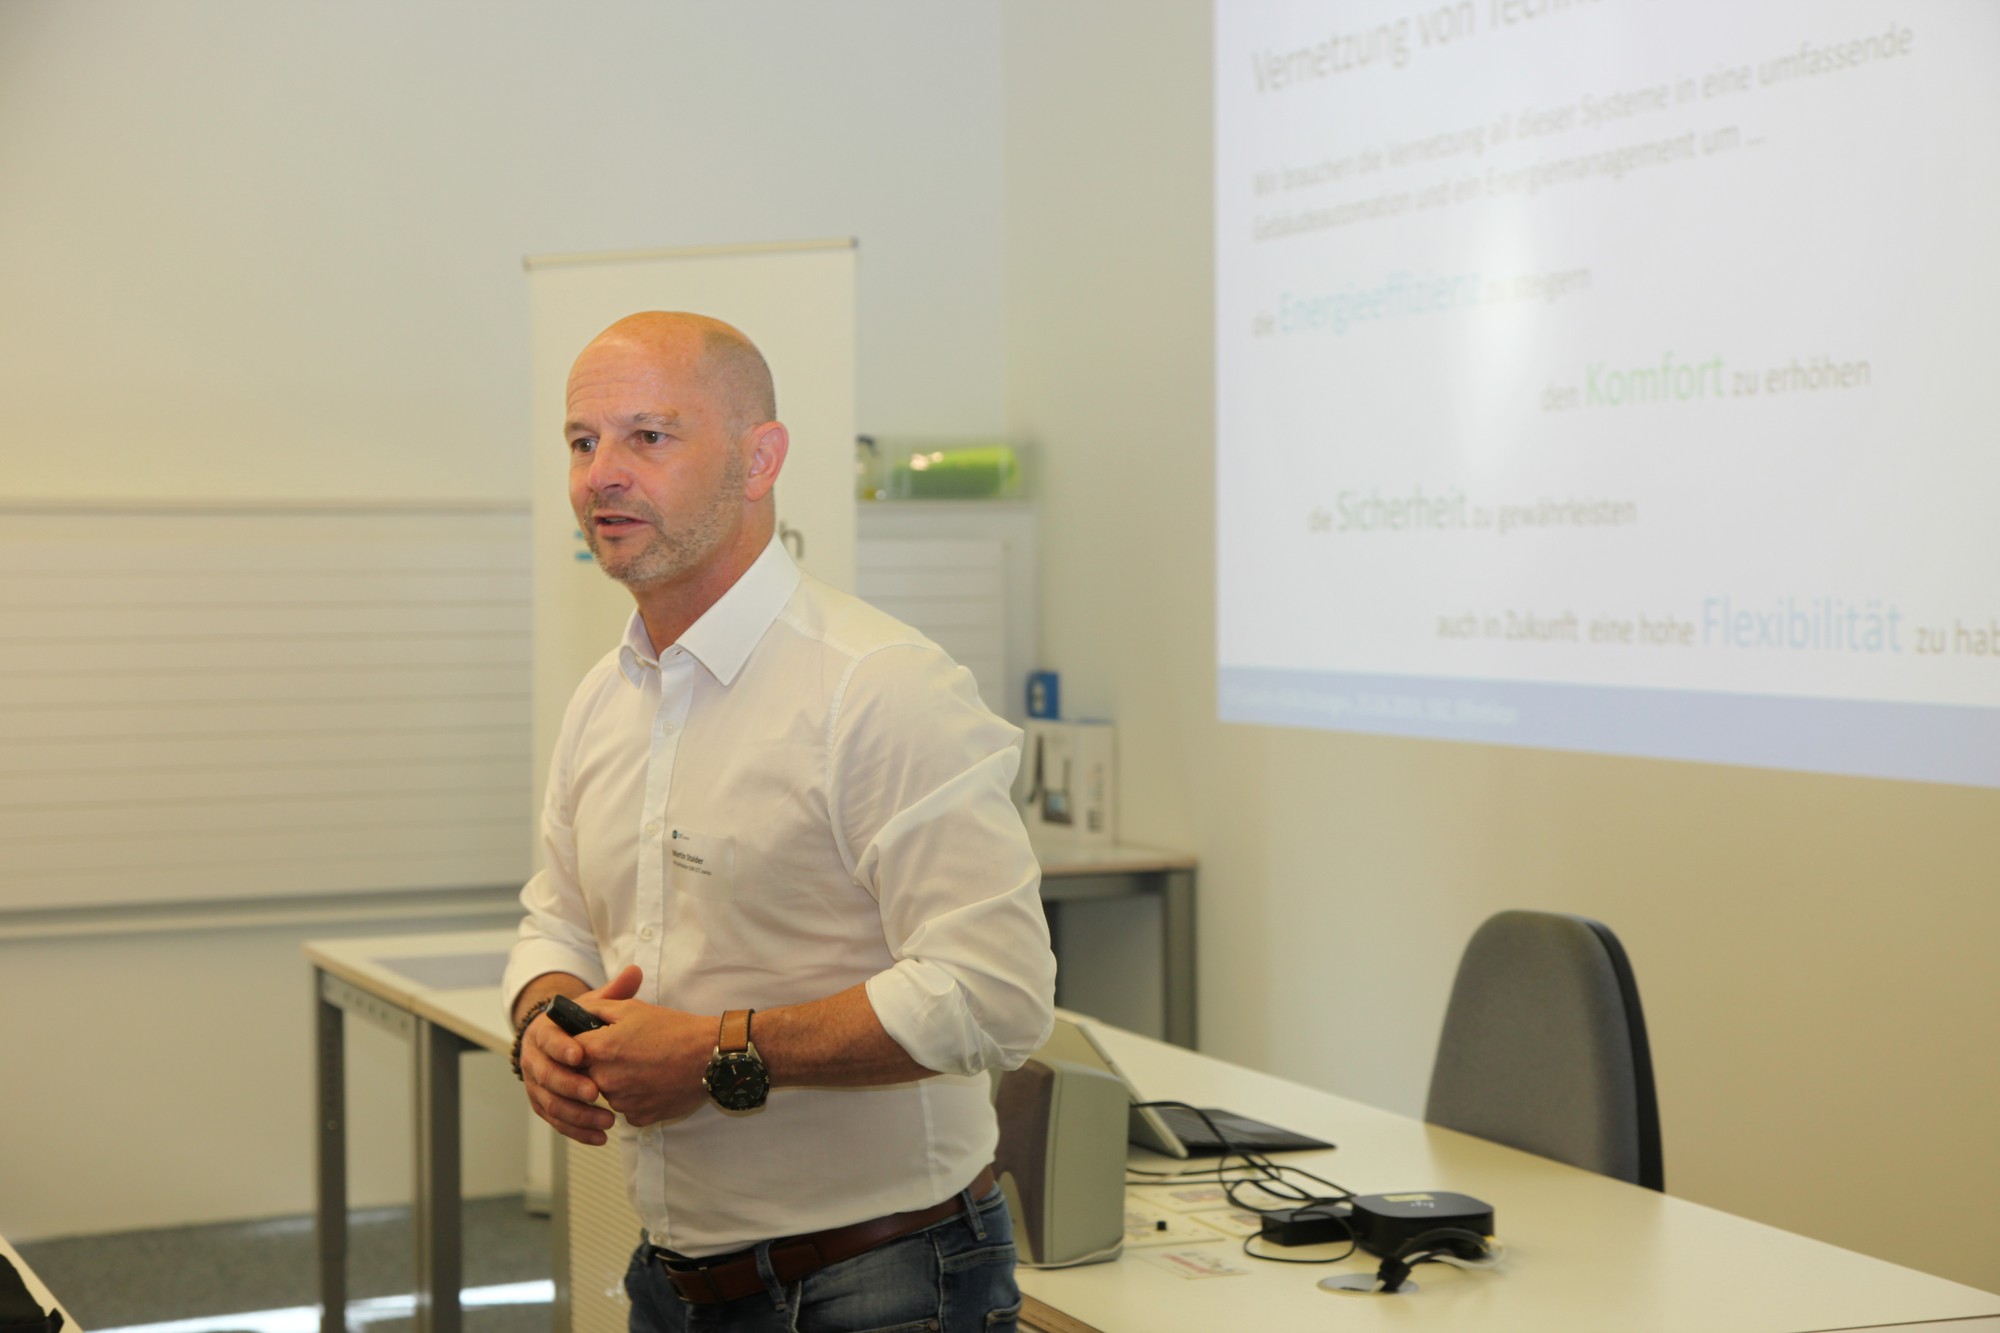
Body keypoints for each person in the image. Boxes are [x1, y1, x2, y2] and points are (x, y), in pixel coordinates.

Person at [502, 311, 1056, 1332]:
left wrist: (713, 1054)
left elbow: (995, 995)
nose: (600, 474)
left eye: (647, 436)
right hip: (672, 1281)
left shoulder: (878, 686)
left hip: (883, 1280)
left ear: (759, 459)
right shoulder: (604, 699)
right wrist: (542, 1018)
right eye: (582, 442)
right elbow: (559, 919)